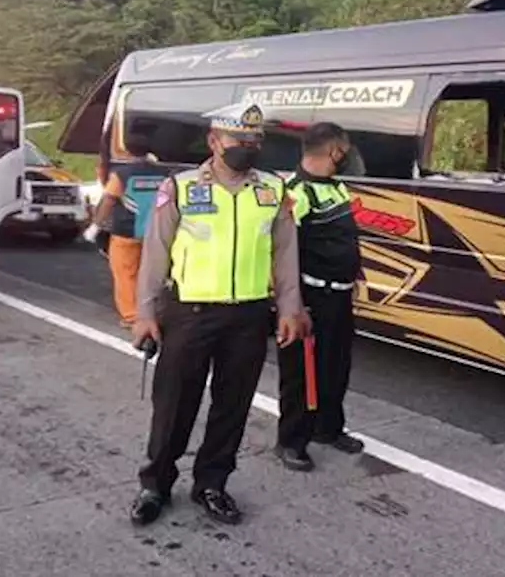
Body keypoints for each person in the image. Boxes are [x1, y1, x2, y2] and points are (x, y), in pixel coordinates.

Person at [128, 102, 311, 527]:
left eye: (255, 141)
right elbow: (155, 255)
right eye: (238, 140)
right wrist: (145, 313)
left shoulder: (272, 191)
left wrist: (290, 307)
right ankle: (155, 484)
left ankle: (212, 483)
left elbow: (285, 255)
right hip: (189, 312)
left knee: (233, 405)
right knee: (175, 404)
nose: (247, 147)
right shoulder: (181, 187)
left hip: (247, 315)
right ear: (214, 141)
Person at [274, 122, 364, 471]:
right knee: (300, 372)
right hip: (311, 297)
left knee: (336, 365)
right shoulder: (297, 193)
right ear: (333, 152)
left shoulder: (336, 188)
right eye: (345, 150)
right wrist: (294, 304)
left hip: (340, 296)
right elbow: (284, 252)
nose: (348, 157)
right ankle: (291, 440)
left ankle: (329, 428)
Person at [87, 126, 166, 328]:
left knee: (125, 273)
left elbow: (108, 200)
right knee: (151, 272)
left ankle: (132, 316)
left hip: (127, 232)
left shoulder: (122, 174)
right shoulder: (163, 173)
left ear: (127, 150)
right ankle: (154, 311)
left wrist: (95, 225)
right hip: (156, 233)